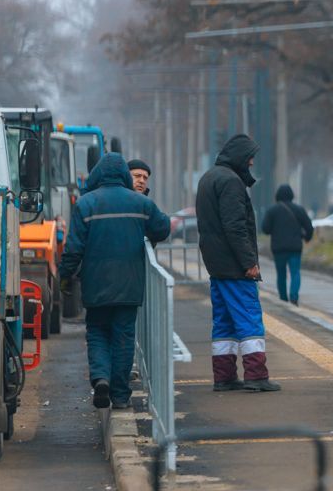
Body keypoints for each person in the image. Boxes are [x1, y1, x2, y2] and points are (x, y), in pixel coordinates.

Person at [60, 153, 170, 409]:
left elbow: (73, 249)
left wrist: (65, 278)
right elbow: (163, 228)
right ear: (123, 174)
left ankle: (101, 379)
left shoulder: (86, 204)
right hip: (130, 285)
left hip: (95, 284)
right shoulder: (140, 203)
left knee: (97, 331)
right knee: (123, 337)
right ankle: (120, 395)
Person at [196, 134, 279, 392]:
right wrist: (249, 262)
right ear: (240, 157)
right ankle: (256, 375)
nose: (252, 163)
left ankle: (224, 376)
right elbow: (235, 227)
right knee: (249, 318)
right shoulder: (231, 182)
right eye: (250, 157)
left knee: (224, 323)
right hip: (234, 267)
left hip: (216, 265)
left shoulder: (208, 178)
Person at [261, 184, 314, 305]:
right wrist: (307, 238)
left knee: (281, 274)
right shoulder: (299, 210)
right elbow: (309, 227)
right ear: (291, 195)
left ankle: (283, 299)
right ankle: (294, 297)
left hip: (278, 248)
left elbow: (265, 229)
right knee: (295, 272)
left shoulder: (272, 211)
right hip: (295, 247)